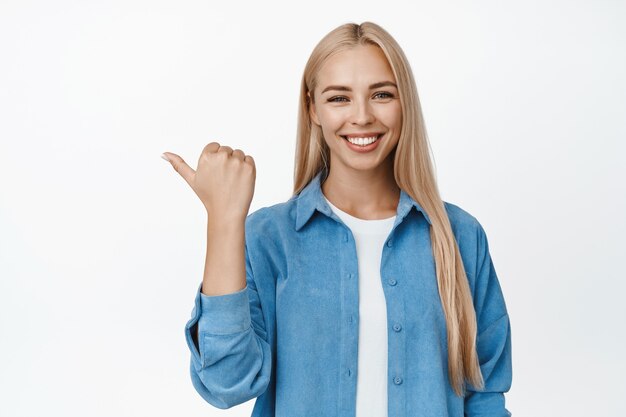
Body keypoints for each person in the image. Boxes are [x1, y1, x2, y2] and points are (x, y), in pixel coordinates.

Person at [162, 21, 512, 417]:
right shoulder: (268, 238)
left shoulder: (461, 237)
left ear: (405, 103)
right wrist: (224, 221)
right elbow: (226, 385)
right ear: (312, 108)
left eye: (381, 94)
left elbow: (486, 395)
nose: (361, 117)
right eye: (339, 98)